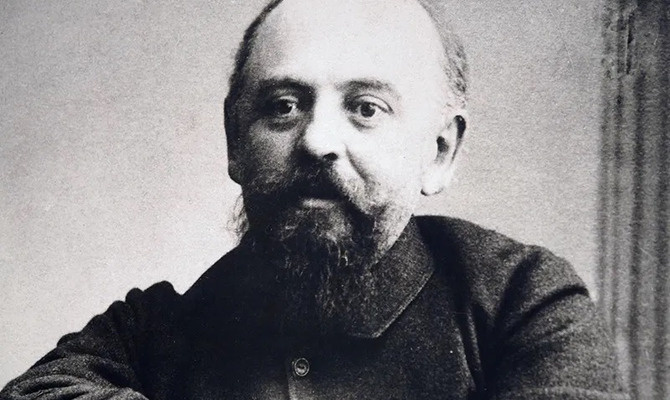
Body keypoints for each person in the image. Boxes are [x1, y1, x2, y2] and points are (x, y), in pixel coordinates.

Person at [1, 0, 628, 399]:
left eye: (366, 108)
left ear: (439, 151)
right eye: (283, 106)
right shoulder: (154, 329)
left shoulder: (522, 303)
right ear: (235, 142)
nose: (317, 140)